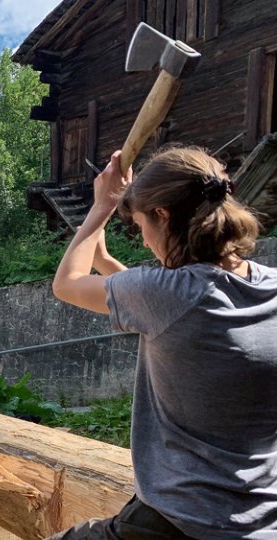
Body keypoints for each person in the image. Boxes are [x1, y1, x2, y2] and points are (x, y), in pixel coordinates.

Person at [49, 147, 277, 539]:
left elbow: (67, 284)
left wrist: (102, 205)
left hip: (183, 522)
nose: (142, 243)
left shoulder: (166, 295)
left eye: (140, 228)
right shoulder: (270, 287)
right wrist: (103, 259)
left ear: (163, 216)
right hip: (261, 521)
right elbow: (171, 309)